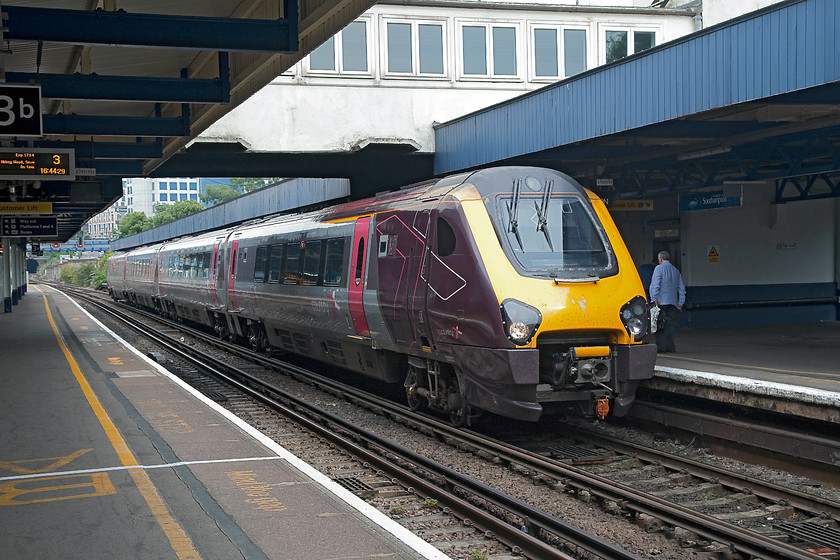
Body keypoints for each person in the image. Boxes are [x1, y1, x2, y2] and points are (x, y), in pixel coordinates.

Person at [649, 250, 685, 353]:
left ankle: (661, 347)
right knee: (670, 326)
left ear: (660, 259)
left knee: (659, 325)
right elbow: (681, 288)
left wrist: (654, 299)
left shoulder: (658, 269)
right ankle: (670, 347)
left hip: (660, 303)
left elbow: (656, 285)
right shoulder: (675, 270)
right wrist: (680, 303)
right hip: (673, 303)